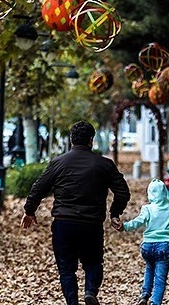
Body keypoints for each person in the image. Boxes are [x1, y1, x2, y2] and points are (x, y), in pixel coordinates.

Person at [21, 121, 130, 305]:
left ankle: (72, 302)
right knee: (93, 262)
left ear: (71, 140)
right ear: (91, 140)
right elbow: (123, 192)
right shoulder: (104, 164)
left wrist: (29, 210)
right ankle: (90, 292)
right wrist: (114, 213)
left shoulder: (58, 162)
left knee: (66, 268)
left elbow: (38, 188)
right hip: (91, 224)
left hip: (63, 223)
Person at [117, 178, 169, 305]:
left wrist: (125, 226)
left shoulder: (147, 209)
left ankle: (145, 295)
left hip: (147, 247)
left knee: (149, 269)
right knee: (160, 279)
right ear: (165, 193)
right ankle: (155, 302)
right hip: (163, 247)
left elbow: (138, 222)